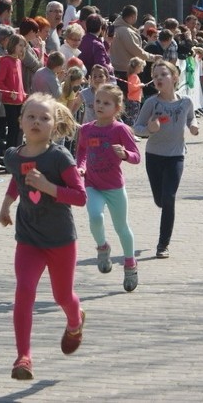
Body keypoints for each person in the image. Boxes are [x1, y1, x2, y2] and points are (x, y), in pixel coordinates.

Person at [0, 93, 87, 381]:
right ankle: (23, 357)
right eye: (31, 116)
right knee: (24, 291)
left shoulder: (58, 157)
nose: (37, 121)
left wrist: (49, 187)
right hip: (29, 238)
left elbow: (81, 197)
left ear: (54, 123)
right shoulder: (13, 155)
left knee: (63, 296)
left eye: (44, 118)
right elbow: (17, 178)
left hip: (60, 239)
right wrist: (6, 204)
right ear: (21, 121)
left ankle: (75, 321)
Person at [75, 84, 141, 291]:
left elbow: (136, 157)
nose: (100, 106)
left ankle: (130, 265)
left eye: (106, 103)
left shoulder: (120, 130)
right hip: (93, 184)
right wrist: (81, 167)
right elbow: (82, 152)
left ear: (117, 107)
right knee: (95, 217)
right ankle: (103, 247)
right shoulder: (87, 129)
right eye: (98, 101)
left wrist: (125, 155)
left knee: (122, 227)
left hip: (114, 187)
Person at [134, 61, 199, 259]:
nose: (159, 78)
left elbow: (191, 118)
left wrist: (194, 126)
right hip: (154, 156)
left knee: (169, 199)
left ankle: (163, 244)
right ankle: (162, 203)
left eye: (163, 74)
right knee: (160, 199)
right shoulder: (152, 103)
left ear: (175, 77)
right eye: (155, 75)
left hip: (176, 156)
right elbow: (137, 127)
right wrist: (149, 130)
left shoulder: (186, 101)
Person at [0, 34, 28, 148]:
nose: (22, 48)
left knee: (18, 128)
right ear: (13, 45)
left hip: (19, 101)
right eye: (20, 45)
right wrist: (9, 93)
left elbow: (19, 83)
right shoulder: (6, 61)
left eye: (24, 46)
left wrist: (23, 95)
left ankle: (16, 152)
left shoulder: (18, 61)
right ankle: (9, 154)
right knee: (12, 129)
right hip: (10, 101)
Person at [124, 57, 145, 126]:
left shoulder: (131, 76)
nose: (142, 69)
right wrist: (140, 85)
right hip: (134, 101)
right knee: (132, 117)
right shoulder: (134, 76)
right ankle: (130, 131)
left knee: (130, 117)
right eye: (141, 67)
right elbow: (132, 87)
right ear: (137, 67)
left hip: (132, 100)